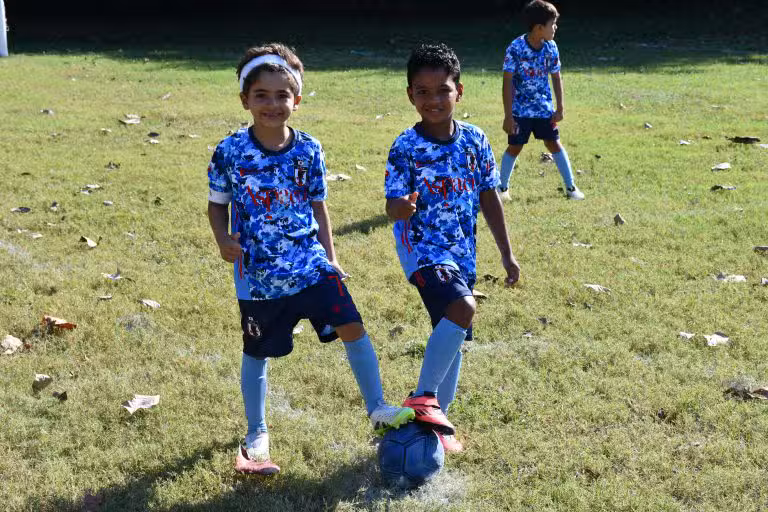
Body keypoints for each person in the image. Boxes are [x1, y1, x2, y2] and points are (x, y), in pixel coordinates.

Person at [207, 43, 414, 475]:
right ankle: (256, 433)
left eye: (282, 95)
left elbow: (319, 207)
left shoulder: (309, 150)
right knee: (257, 352)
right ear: (244, 99)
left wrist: (331, 258)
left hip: (311, 265)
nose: (272, 104)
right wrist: (222, 238)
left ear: (296, 100)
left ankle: (377, 407)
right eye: (261, 95)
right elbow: (216, 205)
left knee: (352, 325)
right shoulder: (229, 151)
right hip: (259, 277)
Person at [384, 43, 521, 453]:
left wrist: (507, 254)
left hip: (462, 254)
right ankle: (423, 397)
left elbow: (489, 198)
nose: (433, 100)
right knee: (462, 307)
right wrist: (401, 207)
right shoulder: (405, 146)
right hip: (423, 251)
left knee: (453, 333)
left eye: (442, 90)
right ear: (410, 95)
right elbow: (392, 206)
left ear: (458, 91)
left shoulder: (475, 141)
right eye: (422, 92)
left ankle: (439, 424)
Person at [499, 0, 585, 200]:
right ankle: (502, 189)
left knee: (554, 144)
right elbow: (507, 82)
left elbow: (556, 77)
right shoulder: (515, 48)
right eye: (552, 24)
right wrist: (508, 116)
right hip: (520, 112)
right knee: (515, 147)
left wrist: (560, 107)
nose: (555, 27)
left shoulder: (551, 47)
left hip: (544, 110)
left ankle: (571, 188)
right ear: (539, 28)